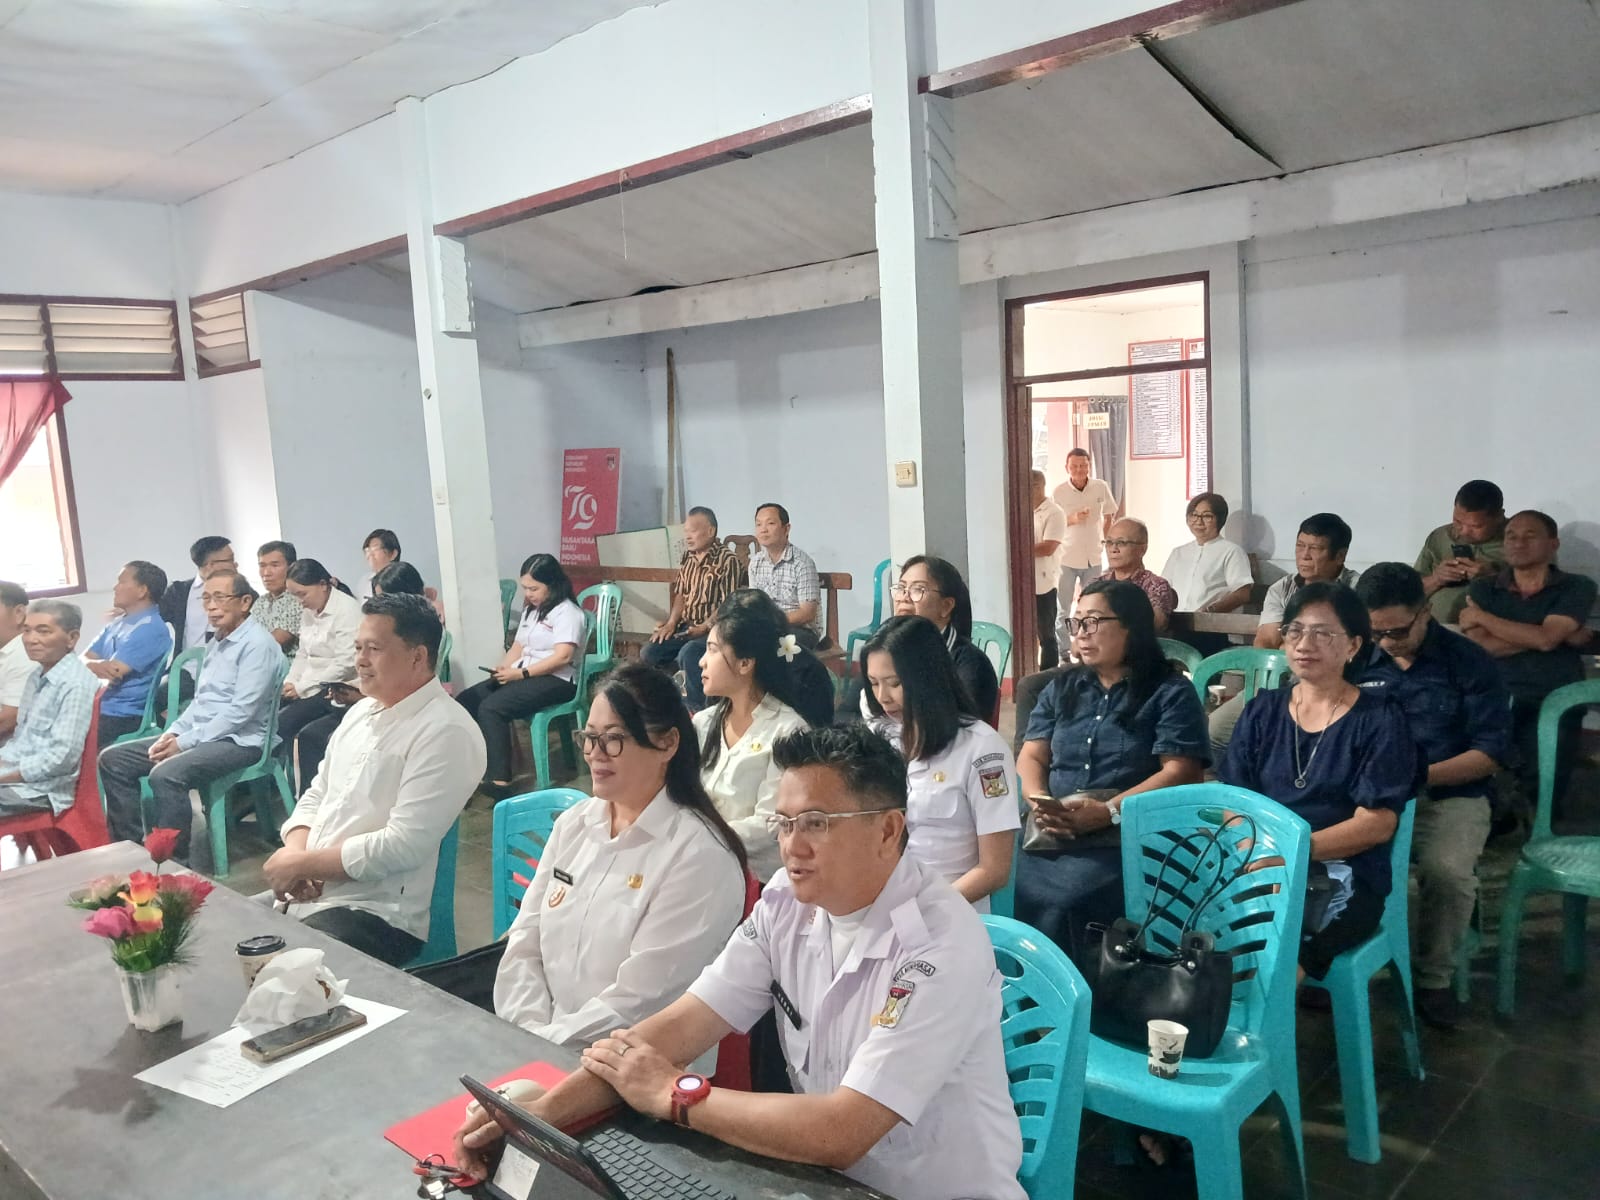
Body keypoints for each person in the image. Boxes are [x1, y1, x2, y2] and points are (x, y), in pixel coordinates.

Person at [455, 724, 1027, 1200]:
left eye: (817, 823)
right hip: (818, 1181)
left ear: (887, 829)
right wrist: (540, 1119)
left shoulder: (939, 946)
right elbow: (685, 1023)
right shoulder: (786, 902)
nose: (793, 846)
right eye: (784, 823)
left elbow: (843, 1130)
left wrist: (677, 1095)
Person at [492, 663, 748, 1050]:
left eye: (613, 739)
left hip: (630, 1063)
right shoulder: (575, 824)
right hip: (540, 1039)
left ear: (667, 744)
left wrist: (541, 1046)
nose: (595, 754)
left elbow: (638, 1002)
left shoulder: (700, 857)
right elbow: (525, 940)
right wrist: (524, 1031)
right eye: (589, 737)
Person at [263, 595, 486, 967]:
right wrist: (296, 855)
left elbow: (402, 845)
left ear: (417, 656)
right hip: (313, 888)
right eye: (357, 648)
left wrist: (305, 866)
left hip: (376, 911)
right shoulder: (361, 712)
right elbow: (317, 794)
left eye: (374, 649)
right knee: (228, 933)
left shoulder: (446, 731)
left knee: (285, 971)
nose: (360, 661)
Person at [1221, 582, 1419, 983]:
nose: (1304, 644)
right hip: (1260, 860)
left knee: (1275, 961)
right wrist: (1253, 854)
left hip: (1343, 872)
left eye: (1322, 633)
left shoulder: (1379, 719)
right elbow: (1235, 801)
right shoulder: (1262, 711)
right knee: (1202, 933)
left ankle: (1271, 1009)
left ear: (1353, 645)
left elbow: (1377, 823)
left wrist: (1291, 855)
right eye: (1295, 630)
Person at [1015, 581, 1208, 963]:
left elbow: (1181, 772)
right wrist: (1039, 802)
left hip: (1129, 832)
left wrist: (1109, 812)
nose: (1082, 633)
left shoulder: (1169, 692)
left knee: (1066, 898)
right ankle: (1013, 984)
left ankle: (1078, 992)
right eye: (1076, 623)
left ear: (1131, 627)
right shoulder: (1061, 687)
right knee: (999, 879)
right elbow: (1031, 756)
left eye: (1093, 622)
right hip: (1054, 828)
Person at [1357, 563, 1510, 1029]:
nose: (1387, 642)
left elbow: (1488, 754)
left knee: (1447, 872)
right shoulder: (1356, 657)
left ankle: (1433, 978)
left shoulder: (1469, 662)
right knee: (1329, 859)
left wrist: (1415, 776)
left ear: (1425, 611)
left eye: (1398, 631)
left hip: (1448, 794)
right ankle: (1338, 963)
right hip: (1369, 795)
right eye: (1376, 632)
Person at [100, 570, 282, 866]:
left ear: (245, 602)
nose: (211, 606)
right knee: (113, 760)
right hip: (203, 734)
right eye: (206, 598)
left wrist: (185, 742)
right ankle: (130, 852)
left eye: (220, 598)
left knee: (166, 774)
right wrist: (172, 733)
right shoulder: (218, 641)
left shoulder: (257, 645)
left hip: (242, 741)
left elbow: (242, 711)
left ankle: (173, 864)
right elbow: (201, 702)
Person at [863, 615, 1019, 910]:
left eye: (895, 683)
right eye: (873, 684)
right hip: (881, 901)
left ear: (927, 678)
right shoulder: (879, 738)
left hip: (948, 910)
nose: (883, 697)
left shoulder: (982, 750)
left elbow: (994, 870)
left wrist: (920, 909)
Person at [1459, 510, 1597, 824]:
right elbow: (1483, 646)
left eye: (1529, 536)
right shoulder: (1483, 588)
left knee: (1544, 777)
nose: (1518, 543)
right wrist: (1552, 634)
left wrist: (1483, 618)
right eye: (1511, 536)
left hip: (1556, 696)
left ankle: (1539, 828)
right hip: (1496, 695)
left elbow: (1546, 640)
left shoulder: (1576, 586)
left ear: (1553, 544)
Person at [1208, 512, 1357, 756]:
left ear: (1340, 556)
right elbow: (1266, 642)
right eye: (1300, 546)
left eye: (1315, 548)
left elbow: (1344, 649)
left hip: (1332, 690)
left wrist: (1287, 644)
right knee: (1213, 734)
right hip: (1275, 684)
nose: (1304, 555)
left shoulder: (1355, 590)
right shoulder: (1282, 588)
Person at [693, 591, 810, 882]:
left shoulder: (787, 730)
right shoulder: (704, 723)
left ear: (745, 663)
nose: (702, 662)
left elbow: (771, 822)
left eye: (712, 650)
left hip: (757, 878)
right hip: (701, 862)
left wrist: (701, 838)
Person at [291, 560, 435, 793]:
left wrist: (360, 695)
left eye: (387, 598)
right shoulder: (382, 629)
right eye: (358, 648)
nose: (381, 606)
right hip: (367, 702)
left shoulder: (417, 637)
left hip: (390, 710)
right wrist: (352, 687)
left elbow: (405, 691)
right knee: (311, 735)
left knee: (326, 737)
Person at [454, 554, 586, 798]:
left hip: (558, 680)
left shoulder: (568, 613)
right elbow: (518, 647)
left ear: (552, 584)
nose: (528, 594)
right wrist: (503, 669)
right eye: (525, 588)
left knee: (492, 708)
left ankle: (501, 781)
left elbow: (563, 657)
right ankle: (476, 768)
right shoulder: (532, 611)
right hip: (525, 674)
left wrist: (521, 674)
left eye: (534, 588)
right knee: (467, 700)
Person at [643, 507, 745, 711]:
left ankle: (698, 713)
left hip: (715, 630)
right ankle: (667, 705)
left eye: (694, 531)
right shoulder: (688, 558)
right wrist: (671, 623)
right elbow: (681, 594)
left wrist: (705, 627)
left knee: (688, 653)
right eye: (686, 531)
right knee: (651, 651)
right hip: (686, 627)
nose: (688, 537)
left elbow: (728, 604)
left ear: (711, 531)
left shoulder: (728, 560)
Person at [0, 601, 96, 818]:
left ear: (72, 638)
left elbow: (61, 758)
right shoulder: (37, 675)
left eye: (43, 631)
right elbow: (21, 741)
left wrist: (4, 775)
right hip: (15, 776)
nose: (31, 639)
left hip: (40, 789)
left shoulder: (75, 684)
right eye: (27, 630)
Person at [276, 559, 365, 791]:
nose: (300, 601)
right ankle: (271, 787)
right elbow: (303, 654)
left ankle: (300, 793)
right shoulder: (309, 610)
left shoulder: (347, 610)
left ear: (323, 585)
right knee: (267, 712)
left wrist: (303, 687)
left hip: (334, 685)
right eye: (295, 595)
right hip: (308, 683)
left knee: (283, 724)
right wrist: (291, 682)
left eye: (302, 594)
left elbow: (345, 663)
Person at [885, 555, 999, 723]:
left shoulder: (971, 663)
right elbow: (848, 713)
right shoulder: (884, 651)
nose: (904, 597)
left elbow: (962, 724)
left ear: (946, 606)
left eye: (918, 589)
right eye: (901, 588)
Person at [84, 561, 173, 746]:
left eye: (122, 582)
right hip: (100, 706)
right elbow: (84, 658)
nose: (115, 587)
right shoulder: (118, 623)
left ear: (142, 591)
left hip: (122, 715)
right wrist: (93, 665)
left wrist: (91, 665)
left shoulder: (150, 628)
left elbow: (113, 671)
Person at [1415, 479, 1507, 624]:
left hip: (1490, 630)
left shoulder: (1518, 540)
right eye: (1457, 522)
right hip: (1434, 628)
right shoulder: (1440, 537)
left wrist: (1494, 576)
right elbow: (1408, 595)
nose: (1464, 532)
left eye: (1476, 526)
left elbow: (1536, 597)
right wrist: (1437, 579)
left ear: (1499, 517)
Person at [748, 502, 825, 650]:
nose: (763, 529)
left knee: (771, 646)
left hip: (801, 629)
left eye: (770, 523)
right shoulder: (755, 563)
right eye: (758, 524)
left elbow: (807, 613)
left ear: (786, 528)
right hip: (768, 627)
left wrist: (772, 621)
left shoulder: (802, 563)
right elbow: (755, 604)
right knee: (735, 641)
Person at [1052, 448, 1117, 620]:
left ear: (1089, 466)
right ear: (1067, 467)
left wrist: (1104, 541)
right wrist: (1072, 519)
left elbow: (1109, 516)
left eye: (1083, 465)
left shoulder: (1100, 487)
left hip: (1093, 557)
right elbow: (1053, 525)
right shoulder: (1059, 492)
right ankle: (1063, 638)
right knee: (1063, 607)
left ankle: (1089, 634)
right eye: (1074, 466)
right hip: (1066, 557)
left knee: (1092, 605)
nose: (1079, 469)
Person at [1160, 492, 1253, 613]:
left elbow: (1242, 593)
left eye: (1207, 516)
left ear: (1220, 520)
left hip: (1211, 621)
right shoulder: (1178, 553)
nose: (1199, 521)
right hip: (1175, 620)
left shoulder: (1231, 551)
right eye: (1194, 515)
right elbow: (1163, 589)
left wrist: (1211, 610)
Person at [1084, 517, 1177, 632]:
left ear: (1142, 549)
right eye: (1109, 542)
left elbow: (1155, 624)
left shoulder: (1156, 585)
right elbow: (1082, 622)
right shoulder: (1096, 584)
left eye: (1121, 543)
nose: (1113, 549)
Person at [158, 535, 235, 655]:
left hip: (227, 662)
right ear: (210, 565)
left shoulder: (241, 592)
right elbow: (154, 617)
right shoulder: (178, 592)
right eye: (230, 560)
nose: (235, 564)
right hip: (187, 664)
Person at [1030, 470, 1066, 670]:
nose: (1029, 490)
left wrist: (1018, 549)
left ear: (1041, 486)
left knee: (1046, 633)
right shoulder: (1022, 509)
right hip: (1024, 581)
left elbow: (1048, 547)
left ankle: (1049, 672)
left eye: (1033, 486)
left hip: (1044, 581)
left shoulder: (1054, 512)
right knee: (1027, 632)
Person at [0, 581, 34, 750]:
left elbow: (8, 720)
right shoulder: (7, 650)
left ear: (19, 613)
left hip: (15, 753)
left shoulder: (26, 653)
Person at [252, 540, 301, 655]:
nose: (266, 573)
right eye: (262, 566)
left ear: (291, 567)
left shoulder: (298, 599)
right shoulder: (260, 602)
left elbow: (274, 641)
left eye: (274, 565)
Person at [358, 528, 401, 599]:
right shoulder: (364, 581)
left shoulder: (404, 579)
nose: (370, 554)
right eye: (367, 550)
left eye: (375, 549)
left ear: (393, 554)